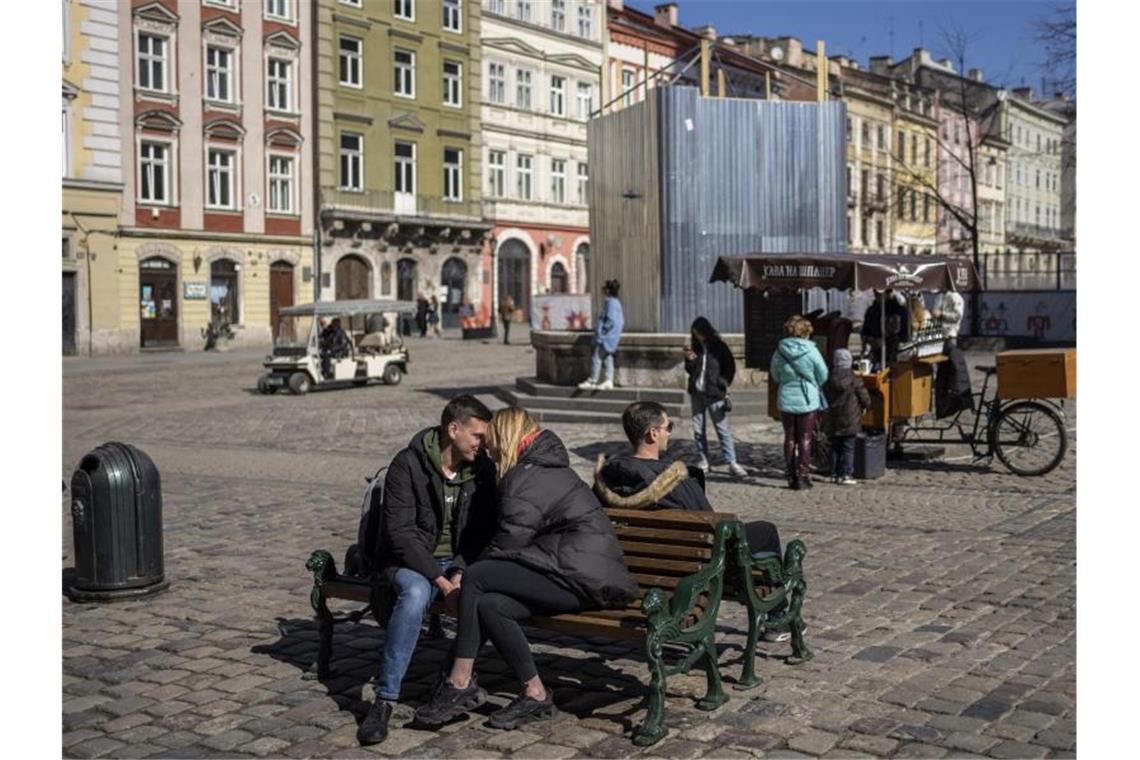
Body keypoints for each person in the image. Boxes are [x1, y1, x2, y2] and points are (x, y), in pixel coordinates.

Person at [414, 408, 637, 730]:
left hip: (583, 579)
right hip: (570, 570)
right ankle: (535, 693)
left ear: (505, 439)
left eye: (491, 445)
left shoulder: (528, 476)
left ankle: (459, 681)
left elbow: (509, 544)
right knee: (492, 605)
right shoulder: (540, 467)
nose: (487, 452)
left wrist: (464, 572)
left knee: (478, 577)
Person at [355, 396, 497, 746]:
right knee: (416, 593)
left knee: (488, 596)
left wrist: (461, 570)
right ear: (453, 429)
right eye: (477, 435)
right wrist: (439, 578)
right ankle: (385, 700)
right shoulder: (408, 464)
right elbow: (399, 535)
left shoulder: (481, 468)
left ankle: (452, 682)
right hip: (410, 562)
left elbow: (482, 530)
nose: (483, 443)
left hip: (458, 563)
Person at [592, 401, 789, 641]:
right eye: (668, 427)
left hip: (636, 569)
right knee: (765, 531)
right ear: (652, 433)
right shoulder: (676, 480)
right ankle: (778, 618)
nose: (669, 433)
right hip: (687, 570)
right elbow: (714, 531)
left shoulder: (606, 480)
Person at [769, 315, 829, 490]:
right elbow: (823, 374)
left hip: (786, 398)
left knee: (789, 438)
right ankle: (803, 476)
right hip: (807, 399)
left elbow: (775, 374)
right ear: (805, 332)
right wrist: (813, 382)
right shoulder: (811, 351)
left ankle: (790, 474)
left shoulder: (779, 351)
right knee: (805, 438)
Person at [683, 316, 747, 478]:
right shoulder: (695, 348)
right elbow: (691, 370)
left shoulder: (719, 347)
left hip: (715, 393)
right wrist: (689, 360)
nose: (698, 336)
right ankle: (703, 460)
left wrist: (723, 381)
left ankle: (732, 462)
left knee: (722, 429)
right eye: (695, 334)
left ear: (706, 331)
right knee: (698, 429)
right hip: (697, 393)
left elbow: (730, 367)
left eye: (699, 333)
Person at [822, 349, 871, 485]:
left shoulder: (828, 378)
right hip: (850, 419)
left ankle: (834, 473)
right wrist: (867, 406)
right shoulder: (854, 379)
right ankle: (846, 474)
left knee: (834, 446)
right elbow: (863, 396)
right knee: (848, 448)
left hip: (833, 418)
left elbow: (824, 394)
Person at [578, 280, 623, 390]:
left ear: (608, 290)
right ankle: (608, 380)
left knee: (597, 356)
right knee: (607, 356)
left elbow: (611, 321)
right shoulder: (616, 302)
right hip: (612, 336)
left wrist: (602, 332)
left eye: (605, 288)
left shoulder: (610, 302)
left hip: (607, 337)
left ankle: (592, 380)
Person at [860, 289, 911, 366]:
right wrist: (871, 340)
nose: (877, 295)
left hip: (896, 355)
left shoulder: (899, 311)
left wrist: (885, 342)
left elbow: (905, 335)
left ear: (888, 293)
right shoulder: (871, 311)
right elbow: (865, 332)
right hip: (876, 356)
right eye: (876, 292)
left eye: (879, 293)